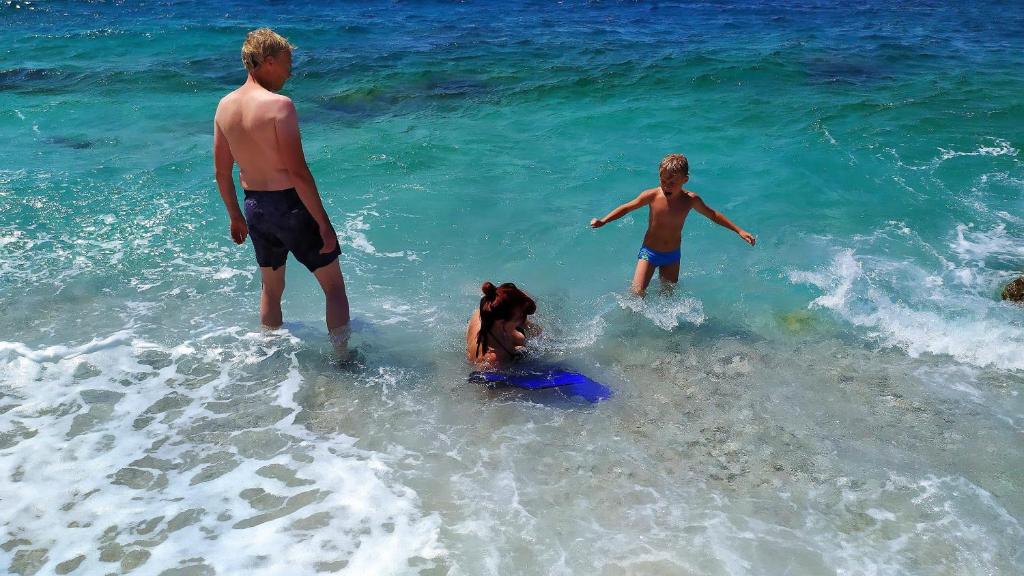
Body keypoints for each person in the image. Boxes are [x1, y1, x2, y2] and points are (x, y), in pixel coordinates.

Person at [213, 28, 350, 346]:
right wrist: (324, 225)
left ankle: (273, 363)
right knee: (333, 288)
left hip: (255, 208)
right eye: (288, 62)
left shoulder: (224, 107)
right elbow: (298, 172)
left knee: (271, 290)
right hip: (290, 206)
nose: (291, 71)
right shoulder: (280, 106)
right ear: (269, 62)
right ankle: (343, 361)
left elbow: (221, 171)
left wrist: (235, 216)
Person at [590, 153, 756, 295]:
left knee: (668, 298)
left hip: (672, 255)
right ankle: (631, 328)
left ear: (685, 180)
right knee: (637, 293)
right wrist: (604, 220)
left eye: (672, 183)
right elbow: (627, 207)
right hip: (649, 253)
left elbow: (713, 215)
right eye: (663, 181)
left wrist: (739, 230)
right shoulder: (652, 196)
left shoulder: (690, 200)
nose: (666, 186)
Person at [466, 282, 540, 368]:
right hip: (478, 325)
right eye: (519, 318)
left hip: (484, 319)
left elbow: (537, 332)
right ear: (501, 322)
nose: (521, 320)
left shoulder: (490, 309)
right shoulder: (493, 362)